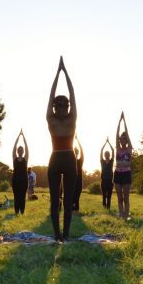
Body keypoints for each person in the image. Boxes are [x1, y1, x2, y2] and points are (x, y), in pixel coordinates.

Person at [46, 56, 77, 241]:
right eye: (60, 106)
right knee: (57, 200)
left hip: (62, 159)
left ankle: (63, 235)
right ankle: (59, 235)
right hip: (60, 159)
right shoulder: (64, 118)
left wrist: (61, 73)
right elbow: (58, 95)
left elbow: (69, 95)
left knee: (65, 201)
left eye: (63, 106)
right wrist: (61, 73)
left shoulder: (58, 118)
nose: (62, 109)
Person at [114, 112, 133, 219]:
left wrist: (124, 121)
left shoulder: (129, 149)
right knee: (119, 197)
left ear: (126, 140)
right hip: (117, 173)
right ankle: (121, 215)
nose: (122, 140)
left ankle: (126, 215)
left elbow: (128, 135)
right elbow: (116, 135)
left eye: (124, 139)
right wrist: (119, 121)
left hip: (126, 173)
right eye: (121, 139)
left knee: (126, 197)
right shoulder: (118, 147)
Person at [11, 129, 29, 215]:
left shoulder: (25, 159)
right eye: (19, 150)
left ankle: (22, 212)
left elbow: (26, 146)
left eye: (22, 150)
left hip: (24, 181)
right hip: (15, 181)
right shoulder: (14, 158)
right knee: (16, 196)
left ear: (23, 151)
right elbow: (14, 147)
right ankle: (16, 211)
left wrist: (23, 136)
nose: (20, 151)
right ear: (18, 151)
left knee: (22, 196)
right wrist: (18, 136)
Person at [100, 137, 114, 209]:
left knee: (109, 196)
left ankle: (108, 207)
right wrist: (105, 143)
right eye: (106, 154)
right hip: (103, 180)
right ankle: (104, 207)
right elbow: (101, 150)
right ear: (104, 155)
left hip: (110, 180)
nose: (107, 155)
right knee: (104, 196)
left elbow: (113, 150)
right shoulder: (102, 161)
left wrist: (109, 143)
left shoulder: (111, 161)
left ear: (109, 155)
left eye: (108, 154)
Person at [72, 135, 84, 212]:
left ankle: (76, 210)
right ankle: (72, 209)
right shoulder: (70, 160)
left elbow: (82, 152)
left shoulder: (80, 161)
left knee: (77, 196)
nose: (76, 152)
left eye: (77, 152)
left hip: (79, 180)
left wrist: (78, 140)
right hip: (72, 180)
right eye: (75, 151)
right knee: (72, 196)